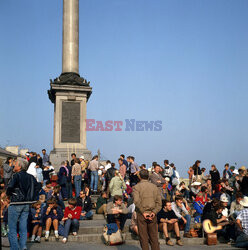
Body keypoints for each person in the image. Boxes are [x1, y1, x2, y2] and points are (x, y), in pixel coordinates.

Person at [6, 158, 40, 250]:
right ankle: (23, 246)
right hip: (26, 204)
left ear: (20, 166)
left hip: (16, 202)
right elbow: (38, 187)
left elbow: (10, 187)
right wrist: (31, 197)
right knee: (23, 227)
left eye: (15, 164)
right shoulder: (31, 177)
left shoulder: (15, 176)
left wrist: (8, 195)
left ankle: (14, 248)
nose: (14, 165)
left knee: (12, 228)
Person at [133, 169, 161, 250]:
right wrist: (154, 212)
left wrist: (143, 212)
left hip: (141, 214)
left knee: (143, 238)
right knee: (154, 237)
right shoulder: (154, 187)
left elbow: (136, 201)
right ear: (148, 176)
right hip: (153, 214)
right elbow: (159, 203)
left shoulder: (136, 187)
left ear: (139, 177)